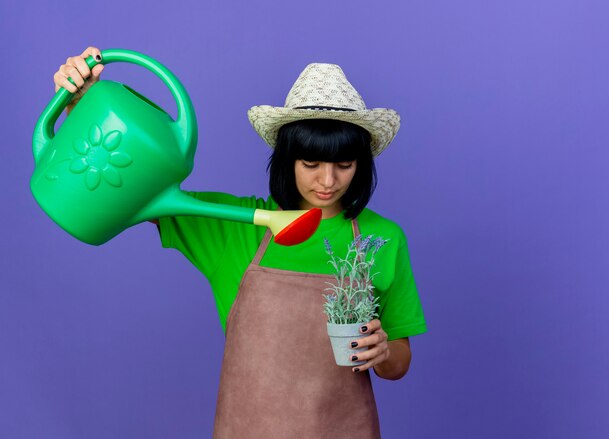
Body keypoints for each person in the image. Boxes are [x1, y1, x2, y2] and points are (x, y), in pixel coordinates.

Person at [54, 46, 427, 438]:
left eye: (344, 165)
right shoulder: (234, 227)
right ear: (286, 160)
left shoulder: (383, 240)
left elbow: (399, 364)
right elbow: (129, 185)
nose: (328, 181)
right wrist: (81, 102)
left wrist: (382, 352)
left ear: (361, 165)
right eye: (311, 164)